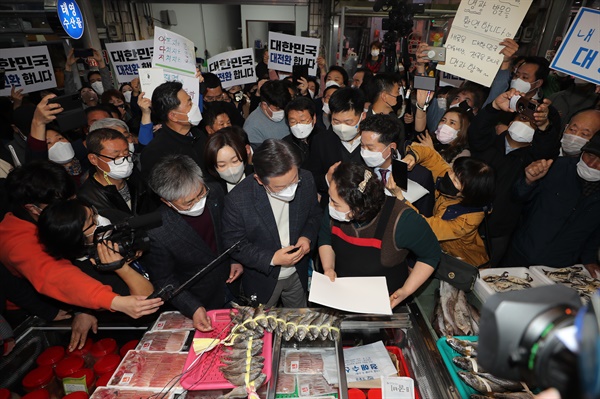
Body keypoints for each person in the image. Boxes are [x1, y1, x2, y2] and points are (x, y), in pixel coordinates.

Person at [0, 161, 163, 344]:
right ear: (33, 208)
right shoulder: (19, 240)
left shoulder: (87, 219)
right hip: (35, 305)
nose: (74, 208)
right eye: (66, 205)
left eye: (74, 200)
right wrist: (110, 301)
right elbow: (58, 277)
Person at [319, 163, 440, 309]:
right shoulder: (334, 210)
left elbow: (431, 255)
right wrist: (328, 268)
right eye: (331, 199)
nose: (330, 205)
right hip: (342, 298)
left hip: (387, 304)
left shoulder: (403, 220)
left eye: (336, 203)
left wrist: (405, 291)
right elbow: (326, 238)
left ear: (358, 207)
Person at [222, 139, 322, 307]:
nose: (291, 188)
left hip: (298, 273)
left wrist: (307, 237)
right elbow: (234, 244)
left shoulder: (306, 179)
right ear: (260, 180)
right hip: (263, 279)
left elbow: (314, 214)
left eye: (294, 180)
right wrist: (272, 259)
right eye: (281, 187)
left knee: (297, 322)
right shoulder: (238, 200)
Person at [144, 155, 239, 331]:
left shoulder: (216, 192)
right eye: (188, 203)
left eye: (201, 193)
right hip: (202, 299)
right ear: (167, 201)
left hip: (235, 284)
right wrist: (192, 307)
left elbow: (229, 230)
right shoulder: (158, 231)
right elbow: (165, 280)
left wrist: (235, 259)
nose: (198, 203)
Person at [468, 89, 562, 266]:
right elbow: (477, 131)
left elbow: (547, 149)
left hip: (498, 232)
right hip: (463, 221)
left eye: (533, 123)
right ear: (512, 119)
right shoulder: (488, 144)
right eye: (523, 117)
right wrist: (494, 106)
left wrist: (544, 127)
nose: (526, 123)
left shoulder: (532, 161)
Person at [504, 134, 600, 277]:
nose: (592, 164)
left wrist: (589, 258)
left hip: (560, 267)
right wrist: (528, 181)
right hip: (520, 255)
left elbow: (595, 231)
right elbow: (518, 196)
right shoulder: (557, 167)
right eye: (590, 155)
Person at [391, 144, 494, 266]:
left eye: (456, 181)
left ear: (468, 193)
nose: (449, 176)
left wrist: (401, 198)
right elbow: (430, 155)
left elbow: (426, 227)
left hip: (464, 264)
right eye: (452, 171)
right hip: (442, 253)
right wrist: (412, 156)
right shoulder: (451, 176)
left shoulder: (468, 220)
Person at [37, 199, 154, 297]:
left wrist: (139, 246)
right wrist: (122, 268)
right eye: (92, 221)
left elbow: (146, 232)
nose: (100, 218)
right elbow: (146, 299)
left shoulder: (111, 216)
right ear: (77, 238)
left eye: (94, 213)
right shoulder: (86, 272)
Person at [359, 114, 435, 216]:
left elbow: (426, 220)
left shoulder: (420, 176)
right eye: (362, 145)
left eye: (370, 148)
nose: (365, 152)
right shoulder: (359, 171)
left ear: (392, 147)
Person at [78, 128, 156, 215]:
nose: (124, 160)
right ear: (93, 159)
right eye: (116, 157)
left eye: (126, 154)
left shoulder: (136, 177)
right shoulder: (87, 198)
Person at [308, 87, 366, 204]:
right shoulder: (321, 141)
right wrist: (327, 179)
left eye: (348, 122)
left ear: (362, 117)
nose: (342, 127)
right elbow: (310, 177)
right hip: (332, 207)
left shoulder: (374, 140)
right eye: (336, 122)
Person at [140, 81, 207, 179]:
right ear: (173, 116)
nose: (194, 106)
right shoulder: (157, 152)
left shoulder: (198, 134)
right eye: (189, 103)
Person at [204, 127, 253, 193]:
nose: (231, 171)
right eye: (222, 165)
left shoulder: (257, 176)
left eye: (235, 161)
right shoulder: (211, 191)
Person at [243, 80, 292, 146]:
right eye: (277, 109)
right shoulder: (252, 127)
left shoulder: (290, 113)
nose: (282, 111)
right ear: (264, 105)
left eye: (284, 108)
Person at [283, 97, 324, 169]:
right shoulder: (285, 145)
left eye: (303, 120)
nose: (298, 125)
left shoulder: (325, 139)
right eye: (293, 122)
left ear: (314, 118)